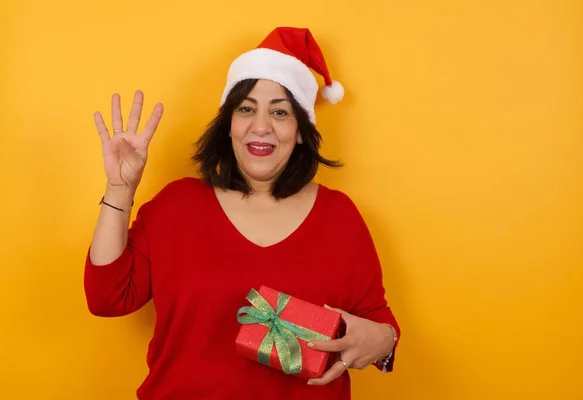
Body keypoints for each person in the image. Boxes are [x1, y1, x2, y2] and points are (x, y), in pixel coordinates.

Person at [84, 26, 400, 400]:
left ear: (301, 130)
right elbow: (107, 298)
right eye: (246, 108)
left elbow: (378, 322)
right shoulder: (176, 206)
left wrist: (383, 340)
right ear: (228, 124)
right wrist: (120, 188)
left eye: (280, 112)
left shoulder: (340, 216)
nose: (260, 126)